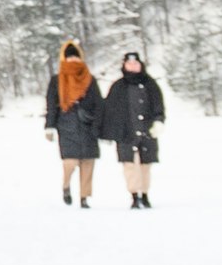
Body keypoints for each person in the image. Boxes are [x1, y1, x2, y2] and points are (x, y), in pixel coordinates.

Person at [43, 41, 105, 207]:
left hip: (88, 126)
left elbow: (99, 104)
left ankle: (84, 197)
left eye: (75, 57)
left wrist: (98, 125)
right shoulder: (57, 80)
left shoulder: (90, 79)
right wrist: (49, 126)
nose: (73, 61)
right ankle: (66, 185)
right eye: (69, 58)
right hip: (67, 125)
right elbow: (51, 104)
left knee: (88, 163)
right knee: (70, 163)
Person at [102, 51, 166, 209]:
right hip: (125, 132)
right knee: (130, 166)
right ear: (124, 66)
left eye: (135, 64)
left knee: (145, 165)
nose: (132, 66)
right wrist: (109, 130)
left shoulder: (150, 84)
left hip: (147, 130)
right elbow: (109, 110)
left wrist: (158, 122)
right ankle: (134, 195)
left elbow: (158, 106)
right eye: (129, 64)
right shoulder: (118, 86)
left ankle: (145, 194)